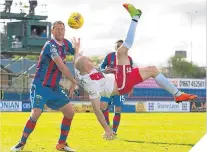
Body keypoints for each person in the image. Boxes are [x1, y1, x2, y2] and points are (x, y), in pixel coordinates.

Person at [74, 3, 198, 140]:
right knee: (121, 51)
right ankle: (135, 17)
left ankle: (178, 94)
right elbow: (96, 110)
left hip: (121, 79)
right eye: (89, 61)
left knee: (152, 70)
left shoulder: (80, 71)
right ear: (86, 67)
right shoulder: (91, 86)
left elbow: (76, 62)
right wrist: (106, 128)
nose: (91, 61)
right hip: (120, 84)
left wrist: (77, 49)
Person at [10, 21, 79, 152]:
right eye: (57, 29)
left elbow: (76, 59)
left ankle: (61, 144)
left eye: (62, 29)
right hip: (40, 85)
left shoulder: (66, 44)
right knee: (36, 112)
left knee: (70, 113)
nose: (60, 31)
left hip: (54, 88)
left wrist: (77, 49)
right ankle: (21, 143)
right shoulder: (50, 46)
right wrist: (73, 81)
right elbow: (61, 66)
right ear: (52, 31)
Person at [99, 39, 133, 134]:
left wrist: (131, 86)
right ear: (115, 48)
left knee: (118, 109)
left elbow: (131, 74)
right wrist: (105, 70)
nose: (120, 48)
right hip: (108, 85)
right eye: (118, 46)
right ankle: (107, 129)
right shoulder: (109, 56)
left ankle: (114, 131)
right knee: (103, 106)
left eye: (122, 46)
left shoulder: (129, 59)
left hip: (120, 87)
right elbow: (101, 67)